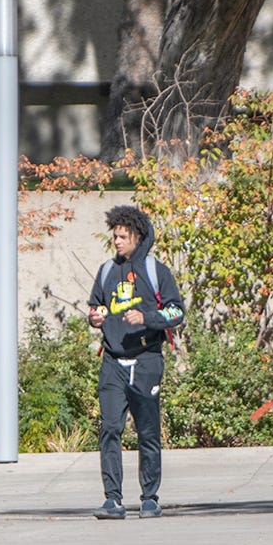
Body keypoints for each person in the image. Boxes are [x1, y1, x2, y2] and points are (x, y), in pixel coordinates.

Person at [86, 203, 186, 519]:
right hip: (113, 362)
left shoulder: (157, 271)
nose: (117, 241)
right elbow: (95, 306)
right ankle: (112, 500)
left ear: (137, 236)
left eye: (123, 236)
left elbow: (177, 312)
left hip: (146, 361)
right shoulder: (106, 271)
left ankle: (150, 498)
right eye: (114, 236)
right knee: (111, 428)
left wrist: (147, 317)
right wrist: (95, 317)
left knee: (147, 431)